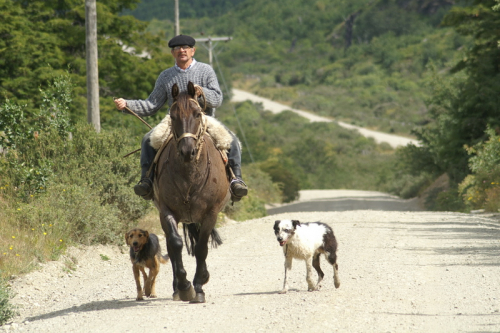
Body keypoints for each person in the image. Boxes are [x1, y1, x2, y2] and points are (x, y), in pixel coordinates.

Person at [114, 34, 248, 201]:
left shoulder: (206, 70)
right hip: (174, 120)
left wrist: (202, 92)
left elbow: (217, 99)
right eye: (177, 48)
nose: (181, 51)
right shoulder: (165, 76)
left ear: (193, 51)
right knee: (148, 139)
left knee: (232, 140)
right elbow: (151, 104)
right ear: (172, 53)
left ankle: (237, 180)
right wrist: (127, 105)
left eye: (185, 48)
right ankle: (146, 181)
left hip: (202, 118)